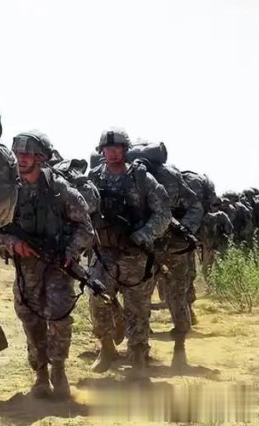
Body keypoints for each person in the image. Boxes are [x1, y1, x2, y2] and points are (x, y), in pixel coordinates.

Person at [0, 131, 94, 399]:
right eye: (17, 154)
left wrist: (69, 252)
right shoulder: (9, 191)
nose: (21, 159)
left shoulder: (61, 191)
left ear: (41, 158)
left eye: (27, 154)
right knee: (30, 320)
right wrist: (13, 243)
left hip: (58, 267)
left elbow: (86, 229)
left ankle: (58, 369)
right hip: (26, 270)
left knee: (59, 318)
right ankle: (40, 374)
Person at [87, 128, 171, 376]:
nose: (112, 152)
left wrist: (144, 234)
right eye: (108, 148)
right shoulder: (93, 178)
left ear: (125, 150)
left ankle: (138, 358)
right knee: (97, 300)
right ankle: (106, 347)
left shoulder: (141, 178)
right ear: (102, 151)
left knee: (138, 310)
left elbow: (163, 212)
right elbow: (80, 210)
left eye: (117, 148)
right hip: (104, 254)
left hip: (135, 255)